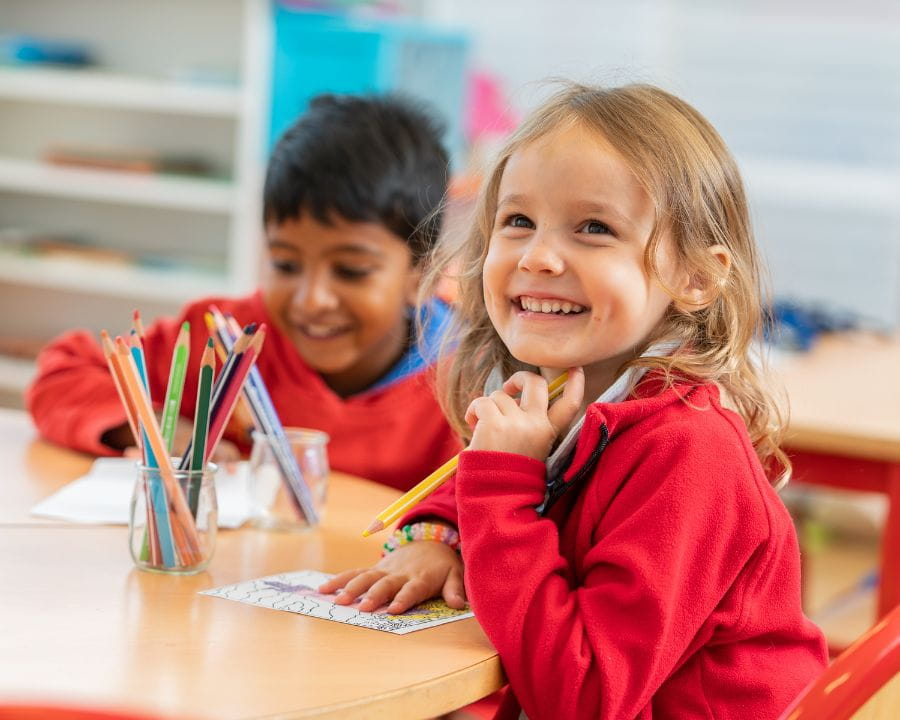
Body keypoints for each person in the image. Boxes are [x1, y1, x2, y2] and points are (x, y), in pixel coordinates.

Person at [320, 83, 828, 718]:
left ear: (696, 277)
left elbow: (584, 698)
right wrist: (442, 536)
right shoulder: (561, 390)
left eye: (594, 228)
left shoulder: (690, 451)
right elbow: (462, 497)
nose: (538, 256)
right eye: (518, 221)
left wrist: (503, 484)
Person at [26, 94, 460, 491]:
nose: (311, 299)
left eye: (351, 271)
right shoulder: (223, 336)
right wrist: (155, 426)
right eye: (286, 264)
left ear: (422, 276)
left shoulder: (471, 381)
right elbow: (61, 376)